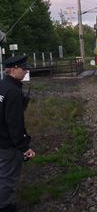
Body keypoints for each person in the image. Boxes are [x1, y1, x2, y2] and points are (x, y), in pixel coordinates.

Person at [0, 55, 35, 212]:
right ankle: (6, 206)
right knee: (8, 178)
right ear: (13, 70)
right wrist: (24, 147)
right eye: (23, 68)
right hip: (7, 144)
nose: (26, 70)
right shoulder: (13, 91)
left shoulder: (2, 85)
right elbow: (15, 124)